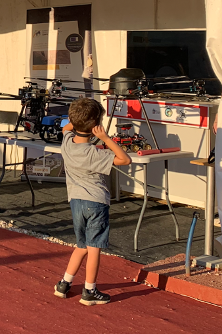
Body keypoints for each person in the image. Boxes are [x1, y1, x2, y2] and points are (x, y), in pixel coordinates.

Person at [53, 98, 130, 306]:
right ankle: (89, 290)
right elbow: (124, 159)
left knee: (82, 245)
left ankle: (64, 283)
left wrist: (76, 120)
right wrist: (105, 138)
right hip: (96, 202)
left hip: (76, 201)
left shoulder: (67, 143)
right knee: (94, 247)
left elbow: (67, 127)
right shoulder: (94, 153)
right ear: (96, 125)